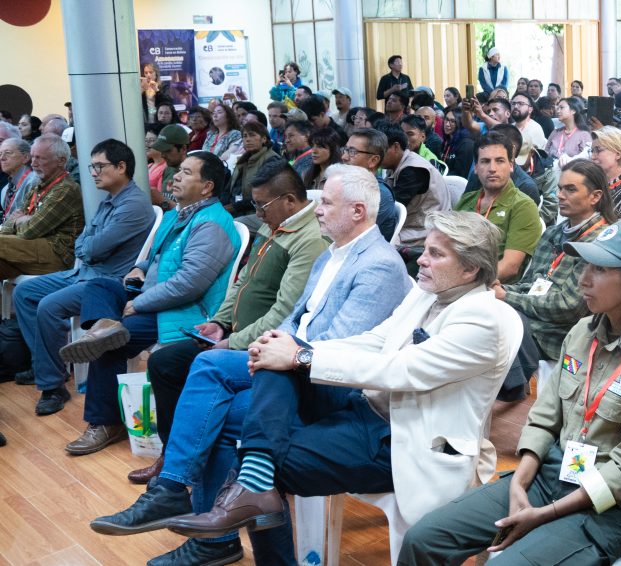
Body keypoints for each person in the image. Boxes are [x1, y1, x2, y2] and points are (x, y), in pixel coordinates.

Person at [89, 164, 410, 565]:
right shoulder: (331, 254)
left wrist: (280, 349)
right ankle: (173, 489)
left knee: (218, 416)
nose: (318, 209)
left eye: (326, 202)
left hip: (329, 383)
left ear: (358, 211)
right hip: (291, 366)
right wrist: (268, 344)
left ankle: (203, 528)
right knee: (207, 363)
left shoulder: (378, 265)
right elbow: (296, 315)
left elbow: (340, 347)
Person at [165, 211, 513, 559]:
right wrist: (296, 351)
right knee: (276, 364)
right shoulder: (428, 292)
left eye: (436, 254)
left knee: (261, 461)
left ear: (470, 270)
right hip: (368, 412)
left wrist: (303, 358)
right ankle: (198, 487)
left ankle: (240, 493)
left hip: (406, 442)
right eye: (425, 249)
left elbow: (400, 370)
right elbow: (376, 340)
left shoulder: (482, 319)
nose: (421, 258)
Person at [400, 220, 621, 566]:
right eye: (586, 265)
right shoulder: (583, 332)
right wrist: (519, 484)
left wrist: (545, 514)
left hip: (606, 506)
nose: (583, 278)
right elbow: (544, 418)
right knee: (422, 539)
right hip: (548, 477)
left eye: (599, 269)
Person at [123, 160, 327, 486]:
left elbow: (284, 312)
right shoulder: (275, 224)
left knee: (185, 364)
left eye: (262, 205)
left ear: (289, 200)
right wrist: (219, 322)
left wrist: (231, 342)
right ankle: (171, 455)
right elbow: (242, 281)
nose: (257, 213)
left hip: (266, 344)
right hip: (235, 332)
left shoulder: (309, 240)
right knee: (165, 362)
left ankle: (183, 465)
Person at [57, 151, 241, 455]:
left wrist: (139, 305)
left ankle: (104, 422)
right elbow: (154, 257)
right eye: (177, 171)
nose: (176, 177)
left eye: (185, 172)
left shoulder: (212, 225)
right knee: (100, 286)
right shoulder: (176, 214)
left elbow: (189, 284)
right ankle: (102, 329)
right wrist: (139, 268)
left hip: (181, 310)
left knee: (113, 341)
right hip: (150, 296)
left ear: (207, 187)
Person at [14, 139, 154, 411]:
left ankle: (52, 387)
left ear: (121, 166)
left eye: (99, 166)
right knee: (24, 293)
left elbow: (93, 246)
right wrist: (87, 247)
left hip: (104, 283)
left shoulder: (133, 205)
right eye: (92, 166)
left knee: (48, 306)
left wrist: (87, 247)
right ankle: (46, 364)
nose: (93, 173)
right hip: (83, 272)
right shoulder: (110, 201)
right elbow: (84, 243)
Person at [496, 159, 617, 369]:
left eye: (570, 190)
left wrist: (507, 296)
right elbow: (530, 284)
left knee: (489, 336)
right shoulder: (553, 233)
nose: (560, 195)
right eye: (560, 188)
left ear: (595, 196)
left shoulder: (601, 243)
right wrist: (498, 289)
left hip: (558, 339)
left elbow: (569, 307)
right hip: (530, 322)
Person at [454, 133, 541, 282]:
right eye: (485, 161)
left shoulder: (522, 206)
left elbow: (509, 267)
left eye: (500, 161)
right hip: (456, 273)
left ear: (511, 166)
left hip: (487, 287)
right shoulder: (467, 199)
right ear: (476, 168)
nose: (492, 168)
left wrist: (463, 281)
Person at [0, 135, 83, 279]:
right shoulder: (38, 186)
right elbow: (9, 225)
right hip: (32, 251)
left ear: (61, 161)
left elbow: (30, 231)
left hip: (58, 256)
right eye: (32, 158)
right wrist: (18, 220)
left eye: (40, 158)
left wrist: (19, 221)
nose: (33, 163)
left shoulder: (66, 189)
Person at [382, 125, 451, 251]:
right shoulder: (397, 163)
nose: (376, 156)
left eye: (380, 151)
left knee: (375, 243)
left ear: (396, 147)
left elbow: (387, 208)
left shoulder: (413, 169)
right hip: (412, 224)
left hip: (425, 230)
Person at [222, 122, 286, 230]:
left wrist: (233, 207)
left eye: (252, 135)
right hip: (238, 209)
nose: (247, 139)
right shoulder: (243, 160)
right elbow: (228, 189)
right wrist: (221, 207)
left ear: (264, 139)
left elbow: (266, 196)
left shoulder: (271, 160)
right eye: (245, 136)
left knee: (233, 225)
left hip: (260, 212)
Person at [0, 137, 38, 225]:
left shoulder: (35, 181)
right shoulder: (5, 189)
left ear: (25, 157)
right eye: (0, 154)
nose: (2, 158)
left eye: (8, 153)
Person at [545, 97, 590, 161]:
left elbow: (586, 161)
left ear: (573, 111)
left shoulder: (584, 134)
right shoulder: (555, 132)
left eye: (561, 108)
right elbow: (545, 153)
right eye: (557, 108)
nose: (558, 111)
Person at [303, 127, 344, 193]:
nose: (314, 151)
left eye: (320, 146)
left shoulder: (341, 176)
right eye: (312, 146)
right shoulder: (307, 174)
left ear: (333, 149)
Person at [440, 106, 475, 179]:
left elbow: (460, 175)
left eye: (452, 121)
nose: (447, 124)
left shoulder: (466, 144)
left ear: (461, 123)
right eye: (446, 120)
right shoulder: (447, 140)